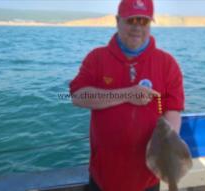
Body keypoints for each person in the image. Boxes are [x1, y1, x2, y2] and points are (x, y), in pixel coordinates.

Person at [69, 0, 184, 190]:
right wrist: (126, 94)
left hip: (148, 178)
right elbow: (77, 96)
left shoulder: (167, 63)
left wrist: (168, 143)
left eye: (144, 21)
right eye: (131, 20)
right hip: (104, 177)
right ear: (117, 20)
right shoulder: (96, 58)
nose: (137, 27)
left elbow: (173, 109)